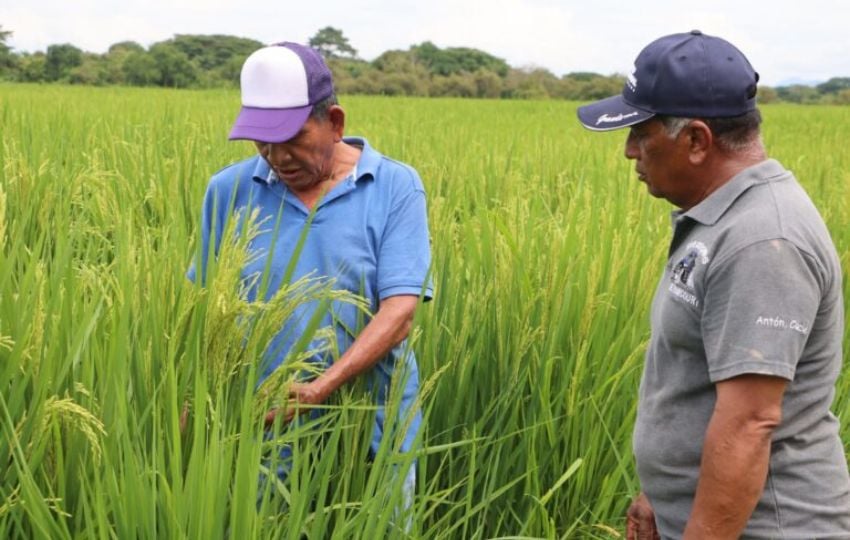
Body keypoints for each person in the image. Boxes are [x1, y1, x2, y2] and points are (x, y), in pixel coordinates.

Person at [577, 30, 850, 538]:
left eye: (642, 132)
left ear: (697, 140)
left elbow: (749, 425)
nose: (629, 151)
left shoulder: (763, 240)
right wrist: (661, 494)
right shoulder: (720, 219)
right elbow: (697, 380)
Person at [187, 42, 433, 505]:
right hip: (265, 426)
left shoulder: (395, 186)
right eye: (263, 141)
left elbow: (400, 311)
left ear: (335, 123)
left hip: (372, 423)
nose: (276, 157)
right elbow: (205, 309)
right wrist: (193, 403)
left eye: (292, 139)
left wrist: (322, 386)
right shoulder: (227, 192)